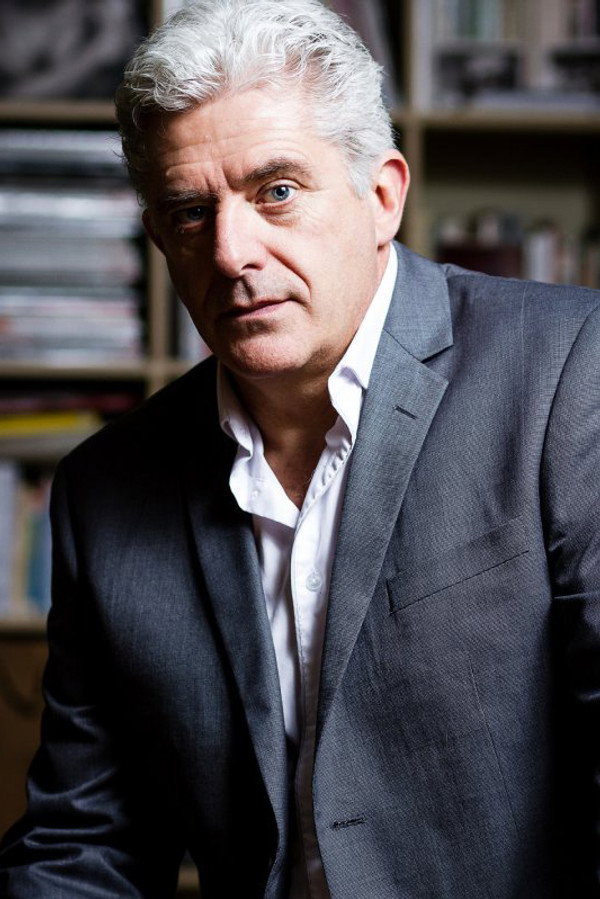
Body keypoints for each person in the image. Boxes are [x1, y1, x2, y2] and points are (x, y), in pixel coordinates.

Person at [1, 0, 599, 895]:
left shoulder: (570, 370)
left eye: (276, 190)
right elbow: (86, 840)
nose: (232, 252)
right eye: (190, 211)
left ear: (382, 196)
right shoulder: (105, 486)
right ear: (158, 238)